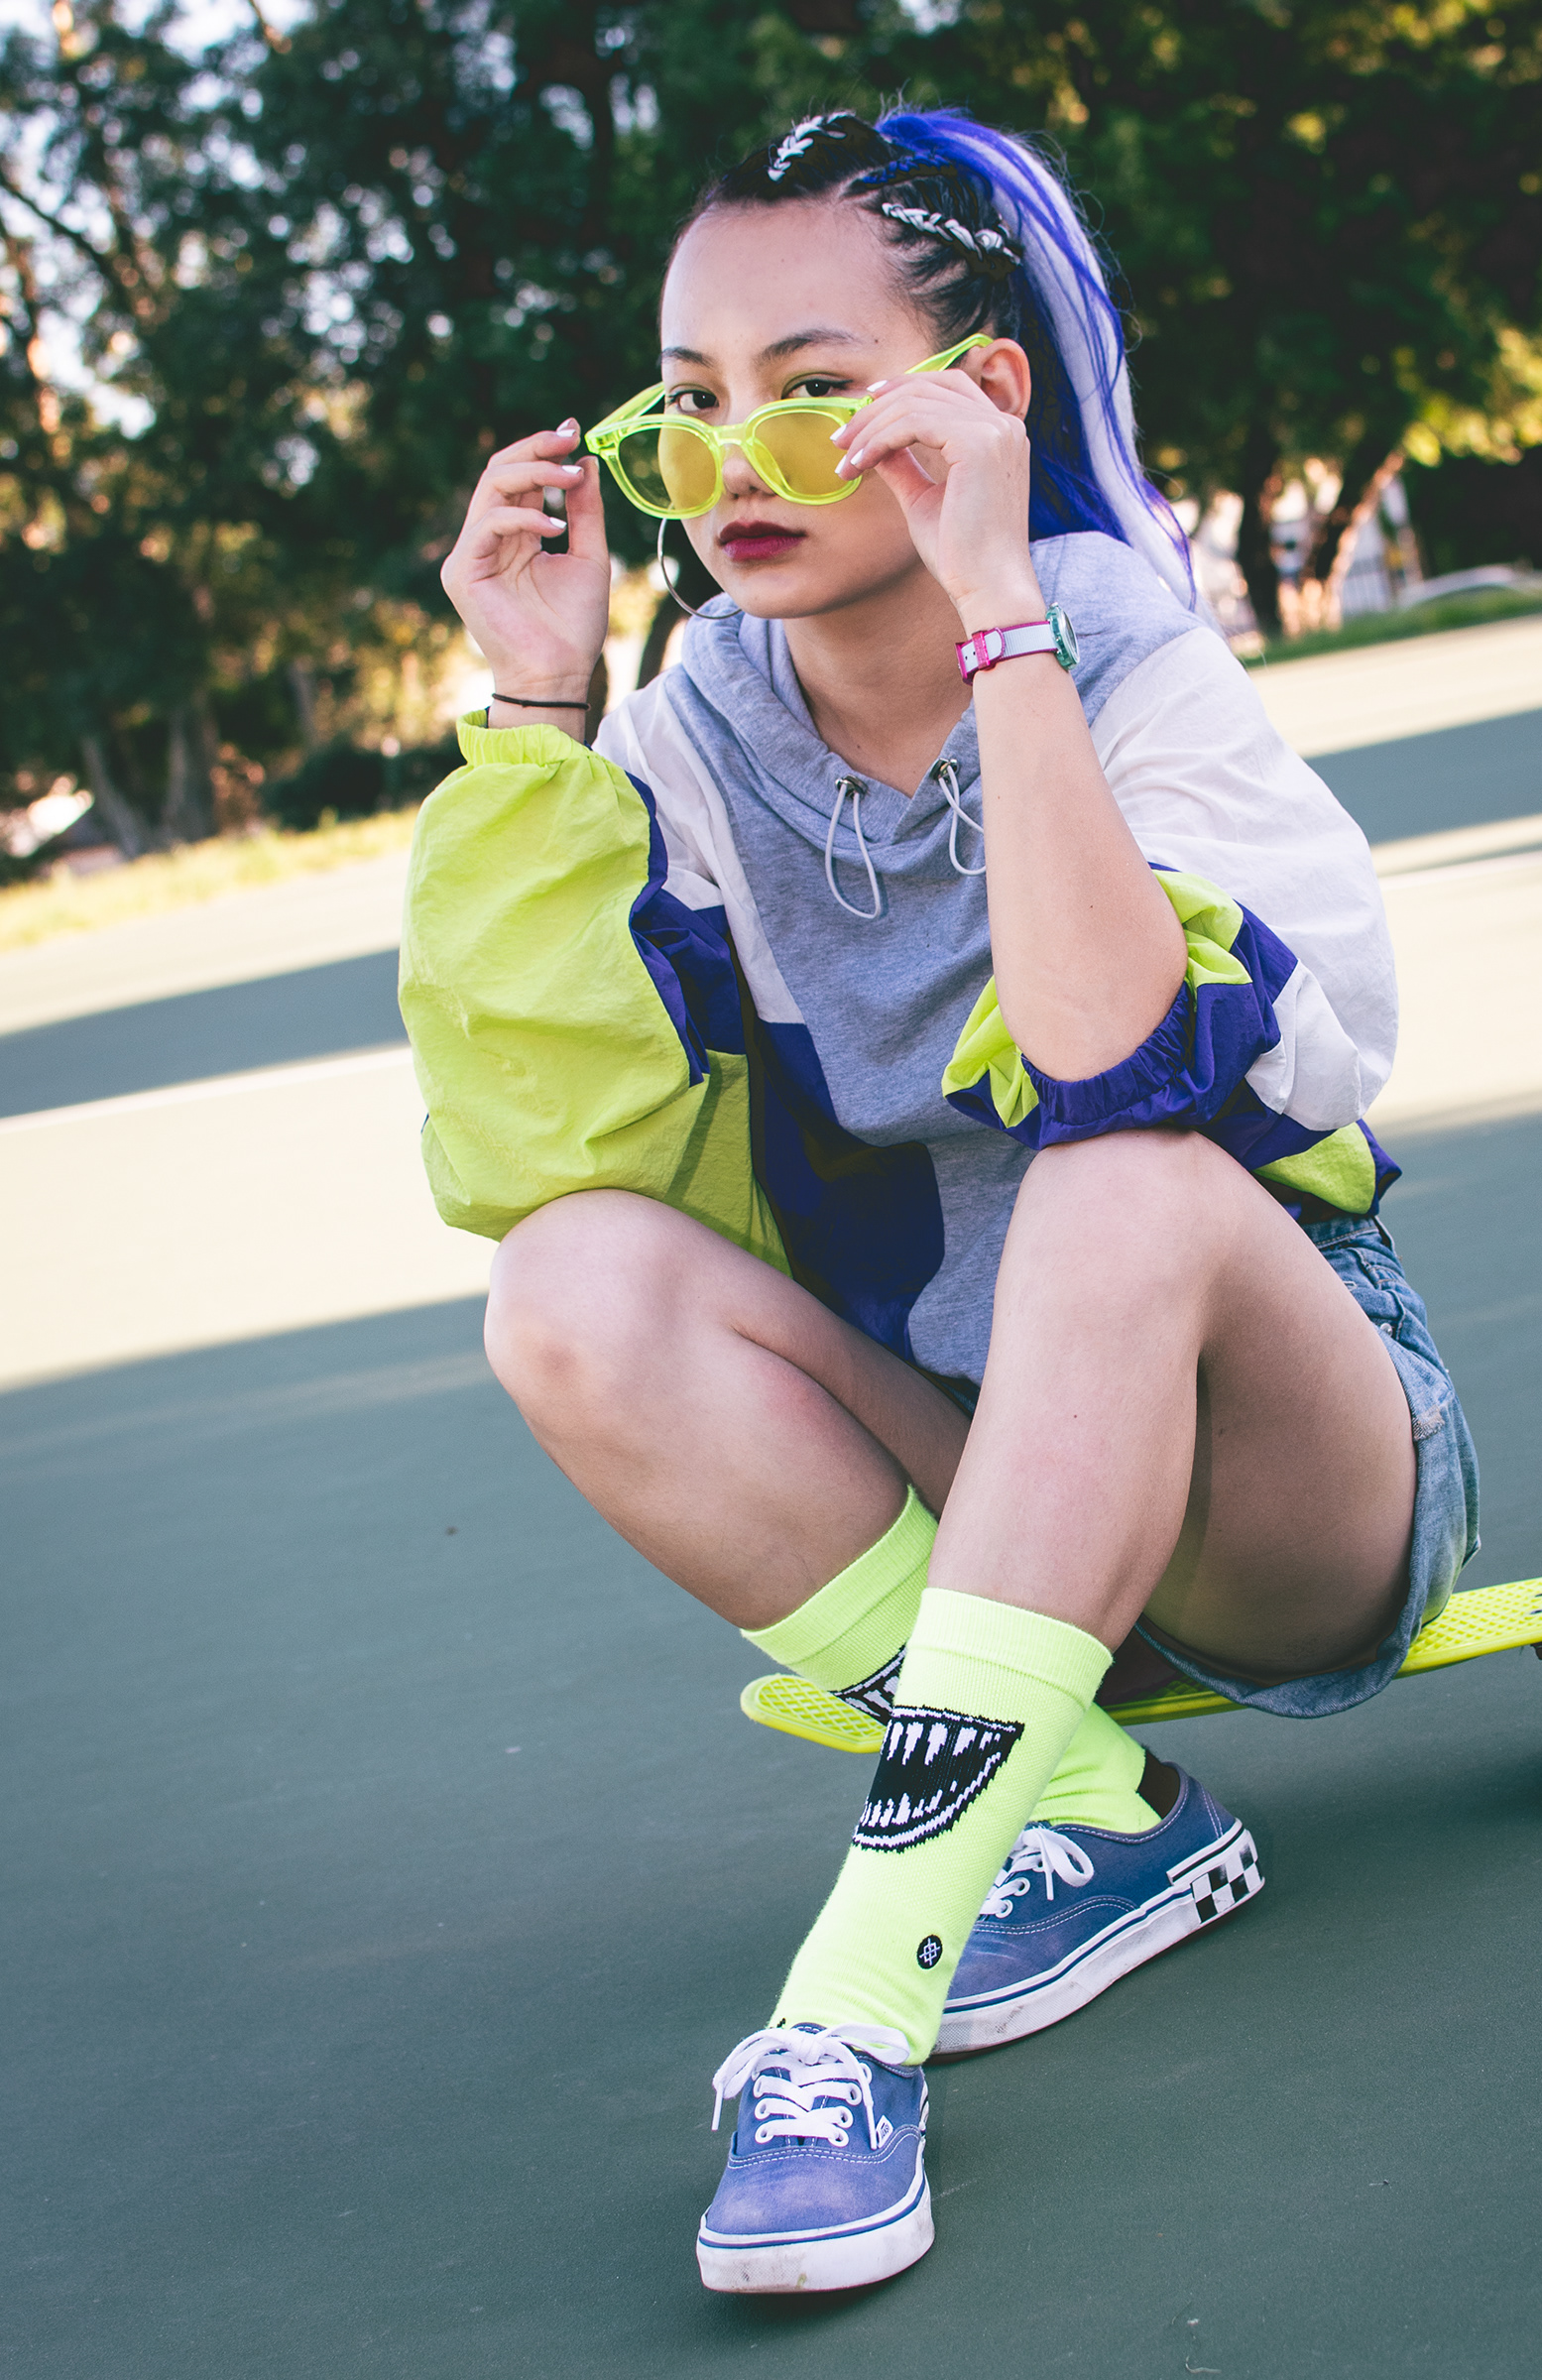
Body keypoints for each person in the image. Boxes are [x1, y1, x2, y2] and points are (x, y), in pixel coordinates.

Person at [404, 106, 1479, 2296]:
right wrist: (539, 706)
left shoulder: (1128, 652)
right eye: (688, 407)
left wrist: (1005, 621)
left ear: (980, 400)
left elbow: (1125, 1066)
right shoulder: (694, 735)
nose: (738, 464)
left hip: (1276, 1492)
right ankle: (1084, 1813)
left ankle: (849, 2015)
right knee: (570, 1284)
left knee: (1119, 1173)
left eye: (812, 391)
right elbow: (556, 1153)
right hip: (971, 1471)